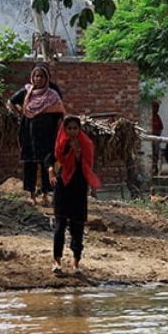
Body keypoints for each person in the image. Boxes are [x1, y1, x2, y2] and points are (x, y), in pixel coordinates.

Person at [47, 116, 101, 275]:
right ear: (65, 129)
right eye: (69, 128)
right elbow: (51, 159)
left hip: (78, 187)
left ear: (79, 129)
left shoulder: (86, 144)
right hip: (62, 187)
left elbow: (87, 166)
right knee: (60, 225)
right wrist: (51, 171)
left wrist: (77, 155)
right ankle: (57, 261)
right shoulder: (60, 143)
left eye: (75, 128)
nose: (72, 131)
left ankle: (76, 263)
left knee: (77, 226)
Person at [9, 63, 65, 206]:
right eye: (35, 76)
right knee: (30, 164)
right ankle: (32, 195)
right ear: (32, 77)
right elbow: (11, 102)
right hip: (28, 133)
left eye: (41, 76)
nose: (38, 79)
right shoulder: (27, 92)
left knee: (46, 163)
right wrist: (21, 112)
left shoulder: (53, 94)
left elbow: (60, 114)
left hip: (47, 135)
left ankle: (46, 195)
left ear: (46, 78)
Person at [151, 102, 164, 176]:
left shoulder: (157, 117)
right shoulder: (150, 117)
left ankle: (155, 168)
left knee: (156, 153)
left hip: (156, 137)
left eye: (157, 108)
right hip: (150, 137)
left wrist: (157, 133)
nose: (156, 109)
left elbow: (161, 127)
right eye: (155, 107)